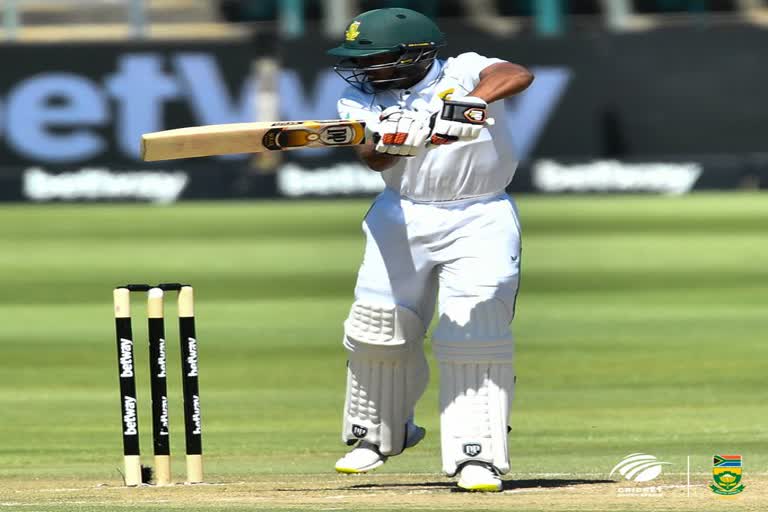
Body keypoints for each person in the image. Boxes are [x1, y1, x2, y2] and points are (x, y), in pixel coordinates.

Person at [326, 7, 533, 492]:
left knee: (474, 331)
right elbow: (372, 156)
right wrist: (405, 140)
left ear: (413, 55)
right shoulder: (357, 95)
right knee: (379, 326)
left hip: (480, 215)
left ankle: (475, 456)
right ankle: (378, 435)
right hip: (402, 212)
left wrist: (462, 106)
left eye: (373, 58)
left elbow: (514, 74)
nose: (363, 69)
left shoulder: (462, 69)